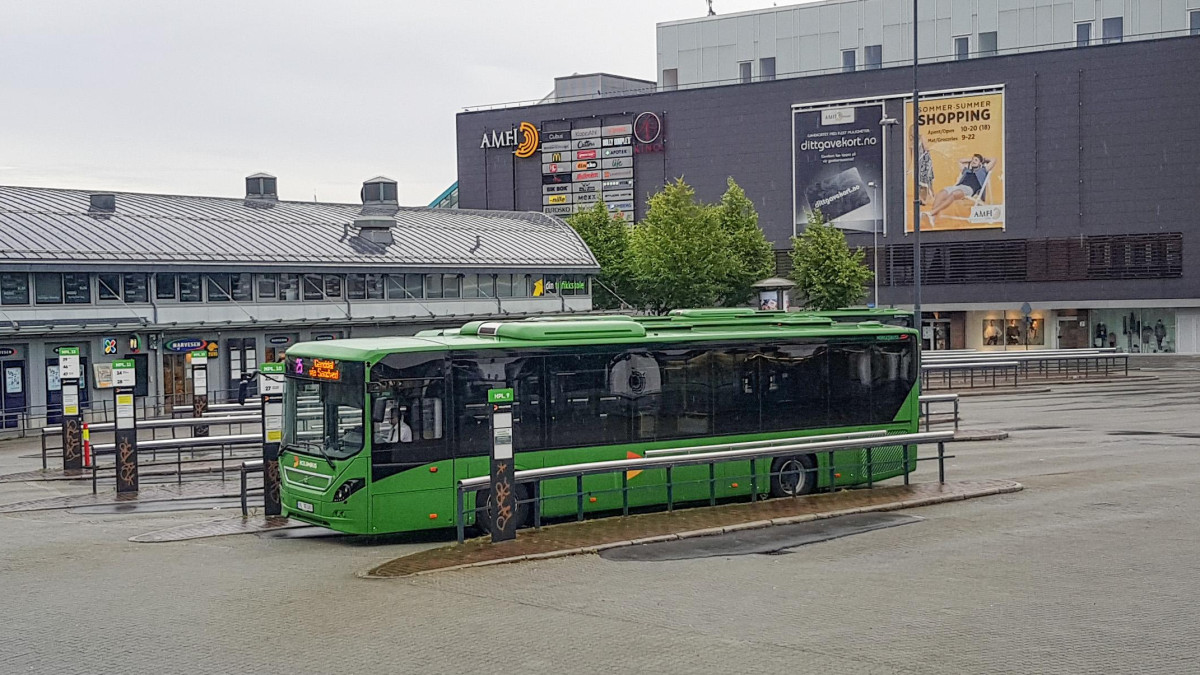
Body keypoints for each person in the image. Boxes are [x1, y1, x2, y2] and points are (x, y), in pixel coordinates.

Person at [927, 154, 996, 224]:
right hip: (958, 186)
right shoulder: (966, 170)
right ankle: (932, 217)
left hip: (969, 189)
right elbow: (960, 161)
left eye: (976, 160)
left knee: (954, 194)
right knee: (941, 193)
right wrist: (971, 160)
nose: (973, 161)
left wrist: (982, 159)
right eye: (973, 160)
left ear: (980, 163)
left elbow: (994, 160)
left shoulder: (983, 170)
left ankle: (931, 213)